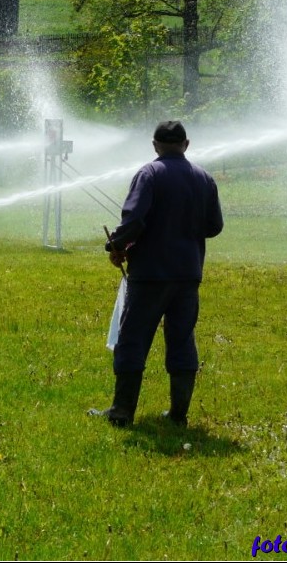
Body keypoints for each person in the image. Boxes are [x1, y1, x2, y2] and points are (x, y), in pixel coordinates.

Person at [94, 120, 223, 428]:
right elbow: (214, 226)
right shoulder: (204, 178)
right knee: (182, 340)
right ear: (186, 144)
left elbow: (134, 220)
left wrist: (116, 244)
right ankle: (178, 415)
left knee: (132, 339)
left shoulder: (149, 174)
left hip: (150, 274)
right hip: (188, 274)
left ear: (155, 146)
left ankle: (122, 412)